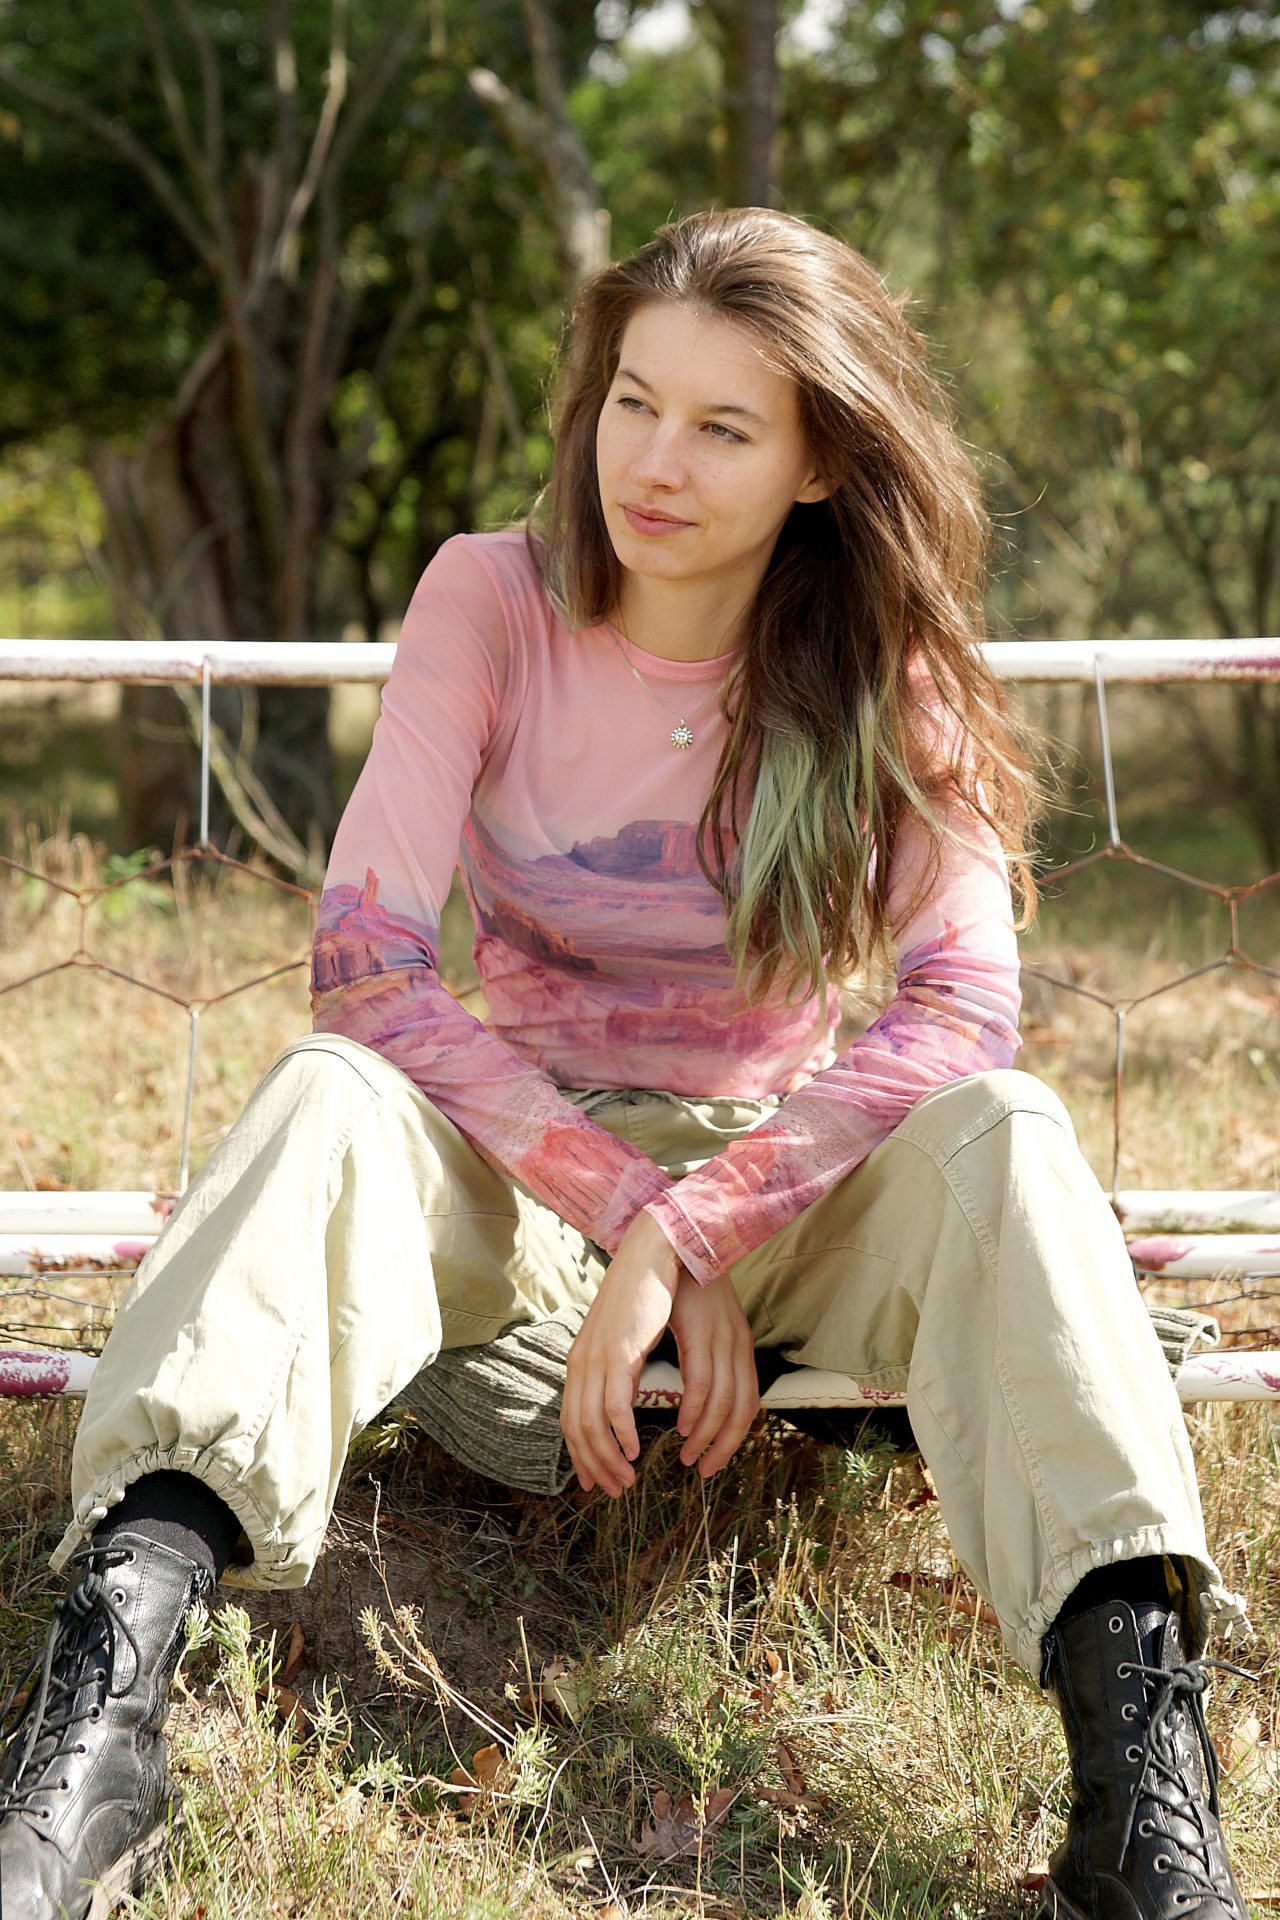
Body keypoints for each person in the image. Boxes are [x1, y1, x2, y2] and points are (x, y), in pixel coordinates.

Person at [0, 208, 1252, 1920]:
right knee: (324, 1094)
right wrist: (627, 1212)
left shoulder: (884, 655)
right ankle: (99, 1729)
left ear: (821, 463)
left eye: (724, 427)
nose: (653, 463)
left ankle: (1141, 1804)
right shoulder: (491, 596)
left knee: (1014, 1132)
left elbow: (963, 1005)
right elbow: (366, 963)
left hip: (784, 1183)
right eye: (633, 402)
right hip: (517, 1176)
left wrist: (700, 1224)